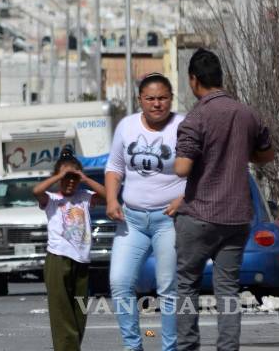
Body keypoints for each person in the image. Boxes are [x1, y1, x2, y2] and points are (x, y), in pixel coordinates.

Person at [173, 49, 275, 351]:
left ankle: (188, 346)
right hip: (237, 216)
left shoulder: (196, 118)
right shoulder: (247, 113)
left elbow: (182, 168)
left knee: (186, 285)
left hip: (200, 215)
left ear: (194, 81)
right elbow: (267, 155)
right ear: (221, 78)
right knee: (228, 290)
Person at [106, 72, 186, 351]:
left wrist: (184, 199)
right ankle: (132, 346)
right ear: (140, 99)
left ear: (171, 99)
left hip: (170, 221)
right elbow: (114, 167)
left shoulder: (183, 126)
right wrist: (112, 200)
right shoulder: (126, 126)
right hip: (132, 220)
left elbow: (204, 170)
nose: (156, 104)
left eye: (162, 98)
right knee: (119, 282)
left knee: (168, 288)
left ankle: (170, 347)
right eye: (150, 98)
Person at [33, 147, 108, 351]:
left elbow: (109, 195)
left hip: (81, 259)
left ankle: (73, 347)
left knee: (78, 312)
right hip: (58, 258)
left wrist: (83, 177)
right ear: (58, 178)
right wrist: (60, 175)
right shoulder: (52, 199)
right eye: (67, 178)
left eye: (74, 178)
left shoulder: (84, 196)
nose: (70, 182)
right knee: (61, 311)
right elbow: (36, 191)